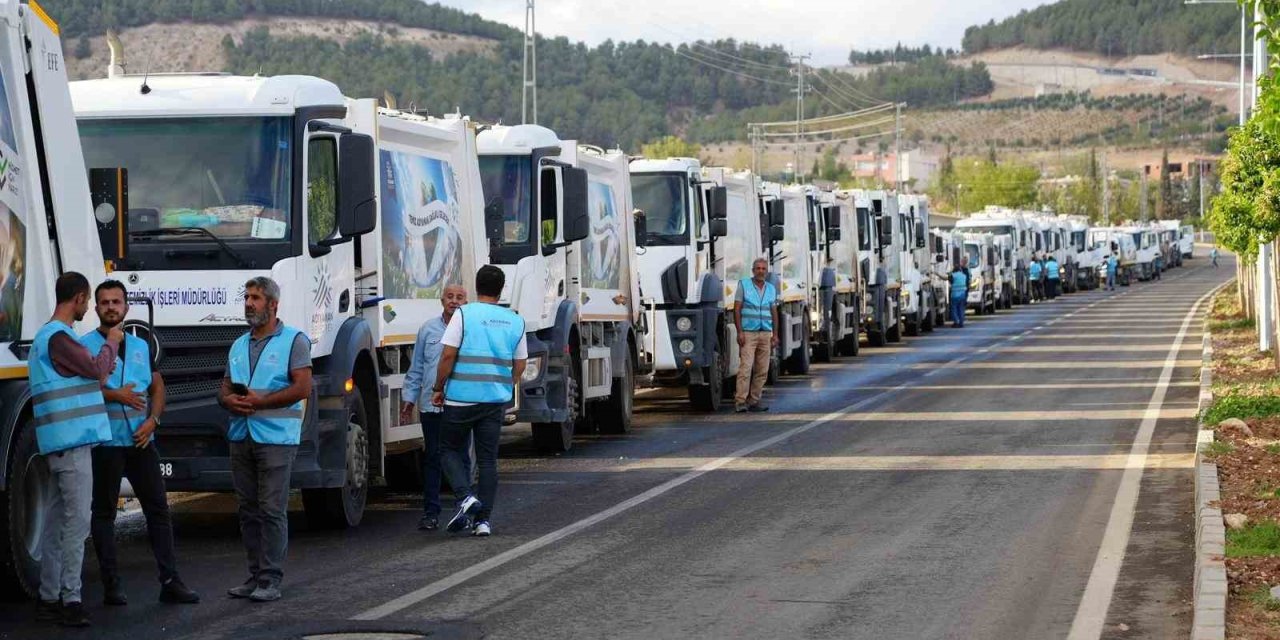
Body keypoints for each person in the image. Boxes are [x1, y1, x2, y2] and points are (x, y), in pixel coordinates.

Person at [82, 281, 199, 607]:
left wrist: (154, 420)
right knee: (104, 514)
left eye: (116, 301)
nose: (110, 307)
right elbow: (84, 387)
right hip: (105, 443)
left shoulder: (139, 346)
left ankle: (171, 581)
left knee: (158, 510)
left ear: (126, 307)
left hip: (141, 440)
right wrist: (116, 395)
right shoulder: (85, 345)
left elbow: (158, 387)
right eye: (104, 302)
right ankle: (112, 586)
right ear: (95, 308)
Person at [217, 277, 312, 603]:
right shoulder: (238, 344)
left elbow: (302, 389)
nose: (248, 303)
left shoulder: (294, 341)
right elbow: (226, 387)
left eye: (255, 298)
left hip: (276, 439)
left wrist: (260, 402)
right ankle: (255, 575)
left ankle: (271, 579)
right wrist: (229, 401)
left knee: (272, 510)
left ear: (273, 304)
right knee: (248, 509)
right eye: (246, 297)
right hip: (241, 435)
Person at [31, 272, 115, 627]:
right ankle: (71, 599)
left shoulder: (44, 337)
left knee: (53, 524)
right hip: (73, 445)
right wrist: (112, 341)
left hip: (58, 445)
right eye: (87, 303)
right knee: (76, 524)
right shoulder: (61, 338)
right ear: (80, 298)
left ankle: (50, 596)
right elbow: (97, 369)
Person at [432, 265, 527, 537]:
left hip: (461, 398)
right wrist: (505, 385)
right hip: (494, 401)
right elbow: (520, 364)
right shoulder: (514, 320)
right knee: (487, 461)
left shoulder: (464, 314)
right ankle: (483, 521)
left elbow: (448, 356)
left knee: (448, 449)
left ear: (476, 286)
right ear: (501, 289)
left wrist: (438, 387)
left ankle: (465, 496)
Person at [402, 283, 471, 531]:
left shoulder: (470, 329)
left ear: (467, 301)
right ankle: (431, 512)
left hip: (461, 404)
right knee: (432, 458)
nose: (454, 301)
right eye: (449, 297)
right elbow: (418, 366)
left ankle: (463, 509)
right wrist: (409, 398)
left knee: (461, 457)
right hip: (431, 406)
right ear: (441, 300)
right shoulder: (428, 330)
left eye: (460, 297)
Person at [733, 258, 779, 413]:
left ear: (766, 271)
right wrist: (739, 331)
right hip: (748, 333)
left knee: (762, 369)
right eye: (758, 268)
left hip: (765, 333)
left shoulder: (771, 289)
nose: (761, 271)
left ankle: (754, 400)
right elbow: (737, 309)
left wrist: (775, 335)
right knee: (745, 368)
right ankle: (740, 401)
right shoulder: (744, 285)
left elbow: (774, 312)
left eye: (763, 269)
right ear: (753, 270)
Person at [949, 262, 970, 328]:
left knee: (954, 309)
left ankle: (956, 322)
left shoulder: (953, 275)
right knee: (961, 309)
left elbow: (950, 282)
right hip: (962, 295)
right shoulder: (964, 276)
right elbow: (967, 283)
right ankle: (961, 322)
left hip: (955, 295)